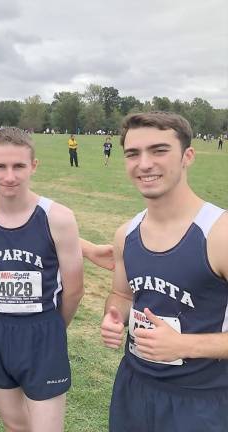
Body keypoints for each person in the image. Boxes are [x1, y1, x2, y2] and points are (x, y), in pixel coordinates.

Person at [100, 112, 228, 431]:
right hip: (134, 386)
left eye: (159, 150)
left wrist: (183, 345)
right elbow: (121, 294)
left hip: (203, 400)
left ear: (188, 156)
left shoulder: (219, 235)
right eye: (133, 153)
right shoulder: (125, 234)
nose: (144, 164)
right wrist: (113, 317)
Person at [0, 127, 84, 431]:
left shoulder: (58, 217)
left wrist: (50, 329)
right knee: (16, 426)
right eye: (0, 166)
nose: (9, 176)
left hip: (42, 331)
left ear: (33, 165)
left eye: (19, 166)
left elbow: (74, 290)